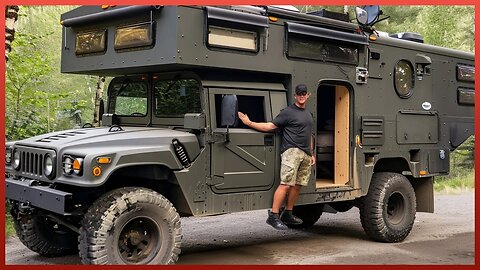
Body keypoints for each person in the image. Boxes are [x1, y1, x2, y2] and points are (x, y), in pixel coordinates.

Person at [238, 84, 315, 230]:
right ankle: (273, 215)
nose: (301, 96)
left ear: (308, 95)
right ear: (295, 96)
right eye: (299, 93)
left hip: (305, 154)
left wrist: (311, 153)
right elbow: (270, 126)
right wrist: (249, 123)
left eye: (304, 93)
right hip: (291, 152)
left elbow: (309, 134)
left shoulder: (307, 114)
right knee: (286, 184)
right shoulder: (288, 112)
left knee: (298, 185)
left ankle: (288, 213)